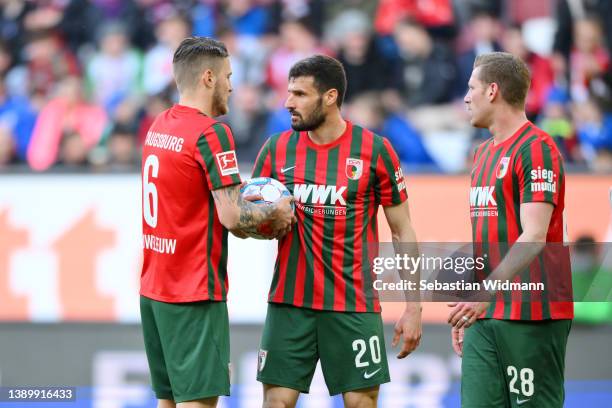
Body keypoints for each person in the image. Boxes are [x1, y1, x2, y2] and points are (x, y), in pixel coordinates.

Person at [251, 55, 422, 408]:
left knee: (361, 402)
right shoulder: (275, 149)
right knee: (276, 402)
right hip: (290, 302)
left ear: (330, 97)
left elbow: (402, 231)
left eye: (299, 94)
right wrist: (257, 223)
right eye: (288, 93)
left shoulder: (376, 151)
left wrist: (414, 307)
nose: (288, 103)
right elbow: (249, 219)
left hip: (353, 304)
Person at [139, 37, 294, 408]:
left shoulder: (160, 125)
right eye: (227, 76)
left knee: (169, 401)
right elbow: (231, 215)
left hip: (154, 288)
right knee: (199, 404)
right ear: (208, 78)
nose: (231, 85)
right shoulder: (212, 132)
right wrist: (278, 213)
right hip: (192, 290)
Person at [449, 52, 574, 407]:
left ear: (492, 91)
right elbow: (486, 238)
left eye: (471, 87)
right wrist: (468, 303)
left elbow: (533, 235)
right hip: (486, 313)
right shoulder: (482, 154)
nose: (465, 97)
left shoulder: (537, 147)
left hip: (533, 310)